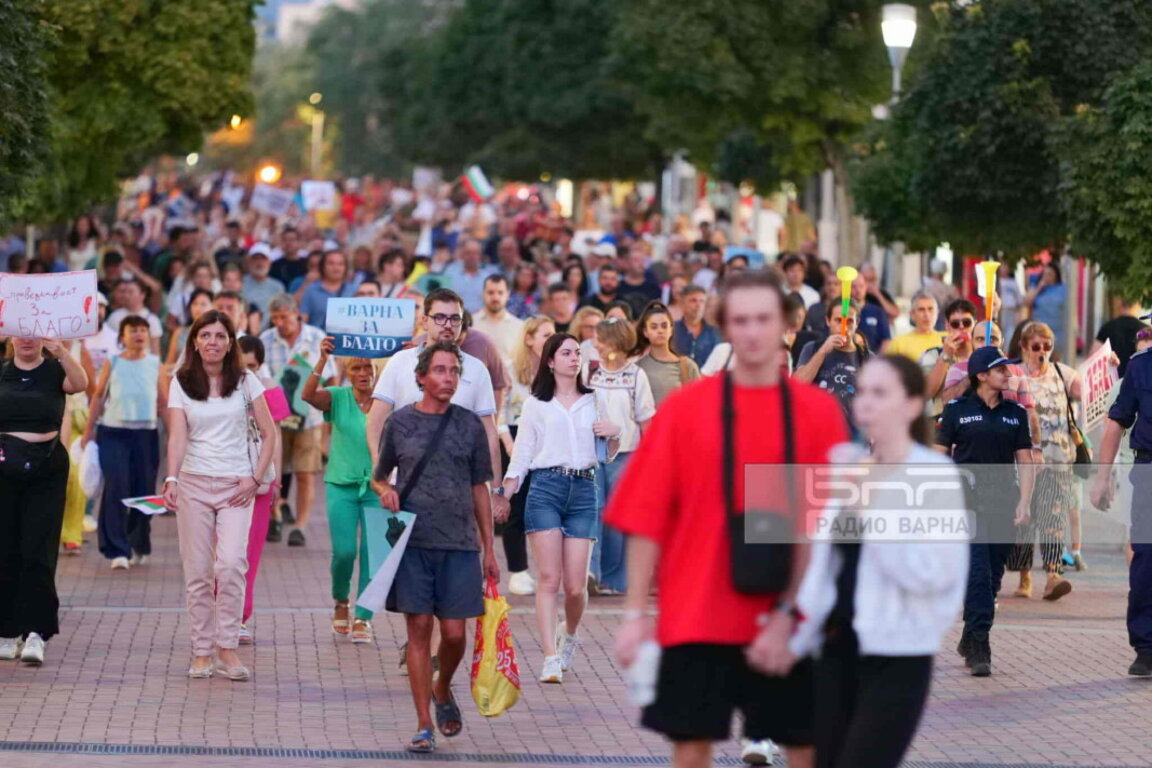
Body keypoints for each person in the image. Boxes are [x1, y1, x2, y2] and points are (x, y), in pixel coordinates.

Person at [611, 270, 849, 768]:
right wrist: (634, 615)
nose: (753, 331)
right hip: (694, 616)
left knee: (806, 747)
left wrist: (790, 616)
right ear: (723, 326)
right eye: (740, 320)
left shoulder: (816, 413)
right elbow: (647, 516)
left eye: (764, 318)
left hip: (788, 620)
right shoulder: (684, 411)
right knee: (690, 747)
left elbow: (822, 529)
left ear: (785, 324)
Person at [785, 355, 968, 768]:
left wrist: (874, 511)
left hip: (898, 656)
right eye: (863, 391)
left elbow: (935, 575)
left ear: (912, 405)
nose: (865, 402)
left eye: (880, 392)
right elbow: (826, 566)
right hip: (835, 649)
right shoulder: (847, 465)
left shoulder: (933, 475)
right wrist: (800, 637)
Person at [375, 341, 499, 754]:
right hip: (413, 542)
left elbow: (480, 487)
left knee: (454, 633)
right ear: (421, 378)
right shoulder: (400, 424)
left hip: (461, 542)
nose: (448, 378)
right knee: (419, 632)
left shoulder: (468, 426)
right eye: (440, 371)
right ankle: (424, 721)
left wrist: (490, 550)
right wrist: (386, 490)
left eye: (453, 372)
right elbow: (378, 476)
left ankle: (442, 683)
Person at [164, 310, 277, 681]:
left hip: (237, 487)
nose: (213, 342)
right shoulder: (180, 381)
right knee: (197, 571)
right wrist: (171, 478)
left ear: (231, 343)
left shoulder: (246, 380)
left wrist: (254, 478)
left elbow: (269, 432)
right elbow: (178, 435)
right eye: (206, 335)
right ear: (194, 341)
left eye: (220, 336)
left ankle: (227, 647)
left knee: (229, 565)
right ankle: (201, 651)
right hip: (194, 484)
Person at [500, 334, 610, 683]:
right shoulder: (536, 403)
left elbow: (607, 452)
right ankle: (550, 657)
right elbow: (523, 452)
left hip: (583, 488)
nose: (574, 358)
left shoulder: (595, 399)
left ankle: (570, 633)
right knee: (549, 579)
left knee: (576, 586)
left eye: (578, 352)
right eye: (566, 353)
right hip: (545, 487)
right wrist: (505, 490)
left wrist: (616, 432)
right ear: (550, 361)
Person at [935, 346, 1036, 677]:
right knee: (977, 572)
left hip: (1002, 502)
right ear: (981, 375)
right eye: (1000, 369)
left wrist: (1024, 500)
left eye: (1007, 369)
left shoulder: (1015, 413)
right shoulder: (955, 411)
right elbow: (938, 457)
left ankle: (970, 635)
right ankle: (980, 644)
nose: (1008, 374)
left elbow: (1025, 459)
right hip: (967, 502)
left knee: (992, 577)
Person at [0, 337, 88, 666]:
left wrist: (61, 350)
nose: (26, 339)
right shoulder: (3, 370)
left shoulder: (54, 370)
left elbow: (80, 383)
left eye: (33, 332)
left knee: (38, 549)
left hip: (46, 468)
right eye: (19, 331)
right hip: (4, 468)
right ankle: (7, 630)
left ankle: (37, 632)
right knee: (6, 548)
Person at [303, 338, 379, 644]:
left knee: (373, 554)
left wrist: (409, 355)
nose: (362, 373)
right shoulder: (338, 397)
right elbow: (307, 395)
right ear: (347, 372)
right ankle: (340, 600)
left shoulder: (388, 400)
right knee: (345, 551)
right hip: (341, 485)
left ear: (377, 370)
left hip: (376, 485)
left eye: (368, 367)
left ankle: (364, 616)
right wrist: (322, 360)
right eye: (356, 367)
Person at [1004, 322, 1080, 600]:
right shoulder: (1014, 375)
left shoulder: (1062, 372)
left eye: (1047, 346)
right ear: (1024, 348)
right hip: (1023, 463)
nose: (1042, 352)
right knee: (1025, 519)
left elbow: (1090, 391)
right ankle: (1025, 576)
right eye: (1036, 347)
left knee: (1053, 517)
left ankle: (1052, 574)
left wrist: (1108, 367)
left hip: (1058, 460)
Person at [83, 316, 165, 570]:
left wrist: (174, 436)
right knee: (117, 486)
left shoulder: (156, 364)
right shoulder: (113, 362)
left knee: (144, 490)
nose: (139, 335)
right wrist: (89, 431)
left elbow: (164, 404)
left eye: (143, 330)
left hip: (146, 434)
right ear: (122, 336)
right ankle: (116, 549)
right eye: (133, 330)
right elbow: (98, 396)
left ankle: (139, 543)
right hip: (113, 432)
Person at [1092, 336, 1152, 676]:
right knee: (1146, 558)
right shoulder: (1140, 367)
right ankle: (1146, 648)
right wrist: (1102, 478)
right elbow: (1117, 420)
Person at [585, 317, 656, 597]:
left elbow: (646, 419)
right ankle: (590, 572)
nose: (595, 343)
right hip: (592, 453)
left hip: (626, 455)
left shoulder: (636, 375)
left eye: (600, 339)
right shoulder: (590, 370)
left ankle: (613, 579)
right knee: (592, 510)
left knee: (617, 516)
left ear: (614, 343)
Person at [259, 294, 336, 547]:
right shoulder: (266, 340)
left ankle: (300, 526)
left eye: (285, 317)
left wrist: (328, 423)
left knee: (305, 473)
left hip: (310, 418)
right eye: (276, 318)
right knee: (273, 472)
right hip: (275, 420)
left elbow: (332, 378)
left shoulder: (316, 338)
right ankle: (275, 515)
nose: (280, 322)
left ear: (297, 314)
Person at [498, 317, 556, 596]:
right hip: (514, 437)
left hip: (547, 443)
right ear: (529, 339)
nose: (550, 339)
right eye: (545, 334)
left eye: (553, 334)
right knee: (516, 508)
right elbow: (499, 412)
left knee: (545, 507)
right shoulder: (510, 370)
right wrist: (510, 445)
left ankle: (547, 570)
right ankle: (518, 572)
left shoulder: (556, 372)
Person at [236, 336, 282, 645]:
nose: (244, 372)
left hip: (260, 484)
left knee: (249, 555)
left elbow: (274, 437)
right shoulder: (211, 389)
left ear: (260, 365)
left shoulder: (269, 391)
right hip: (220, 479)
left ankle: (240, 616)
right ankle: (217, 612)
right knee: (221, 556)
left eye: (251, 366)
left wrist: (275, 481)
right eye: (239, 365)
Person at [795, 301, 871, 434]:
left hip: (854, 436)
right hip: (817, 433)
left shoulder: (868, 357)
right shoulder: (812, 348)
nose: (844, 327)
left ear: (857, 323)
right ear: (828, 321)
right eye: (838, 321)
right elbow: (798, 385)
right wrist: (823, 351)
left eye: (849, 321)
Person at [633, 301, 701, 407]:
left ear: (671, 330)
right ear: (645, 332)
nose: (660, 331)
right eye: (654, 327)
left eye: (664, 326)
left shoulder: (687, 366)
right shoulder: (637, 368)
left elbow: (699, 405)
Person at [472, 274, 524, 362]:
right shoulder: (471, 323)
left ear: (508, 294)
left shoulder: (519, 327)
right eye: (490, 292)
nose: (495, 297)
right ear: (483, 294)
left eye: (500, 293)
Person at [300, 250, 356, 329]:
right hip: (319, 339)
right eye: (331, 263)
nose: (336, 268)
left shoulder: (353, 290)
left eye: (340, 264)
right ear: (323, 267)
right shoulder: (311, 291)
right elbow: (303, 320)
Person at [106, 279, 163, 355]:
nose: (126, 295)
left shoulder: (152, 319)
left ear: (142, 295)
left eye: (130, 292)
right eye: (124, 292)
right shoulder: (114, 317)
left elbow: (155, 351)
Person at [1092, 299, 1146, 377]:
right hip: (1136, 383)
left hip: (1112, 382)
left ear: (1120, 305)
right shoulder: (1145, 331)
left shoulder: (1107, 327)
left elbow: (1094, 356)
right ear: (1138, 305)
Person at [884, 292, 944, 362]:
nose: (926, 314)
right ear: (912, 314)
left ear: (937, 313)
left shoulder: (947, 339)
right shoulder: (899, 343)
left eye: (930, 309)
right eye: (921, 309)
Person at [673, 283, 722, 369]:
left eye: (702, 301)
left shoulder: (715, 333)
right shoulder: (671, 330)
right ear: (682, 304)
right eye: (693, 300)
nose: (698, 305)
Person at [443, 238, 494, 313]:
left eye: (475, 253)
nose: (471, 256)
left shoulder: (487, 278)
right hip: (454, 319)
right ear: (462, 254)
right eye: (468, 253)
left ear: (480, 255)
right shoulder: (450, 274)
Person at [165, 288, 214, 366]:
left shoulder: (216, 334)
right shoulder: (179, 333)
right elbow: (169, 362)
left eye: (203, 304)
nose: (198, 308)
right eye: (195, 304)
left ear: (213, 307)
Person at [1024, 263, 1068, 347]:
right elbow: (1027, 302)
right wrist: (1039, 288)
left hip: (1058, 330)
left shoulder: (1062, 289)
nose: (1047, 277)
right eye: (1045, 274)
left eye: (1050, 274)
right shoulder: (1036, 286)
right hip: (1039, 329)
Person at [242, 244, 286, 324]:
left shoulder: (277, 287)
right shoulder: (240, 283)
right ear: (250, 262)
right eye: (256, 259)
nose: (259, 263)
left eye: (263, 259)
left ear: (269, 262)